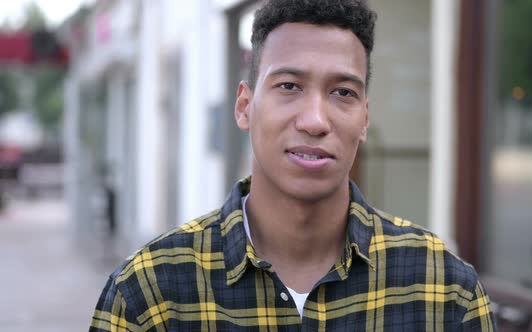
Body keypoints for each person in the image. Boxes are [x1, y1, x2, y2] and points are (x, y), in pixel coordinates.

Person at [90, 0, 496, 331]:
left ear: (365, 119)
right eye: (289, 86)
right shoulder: (153, 292)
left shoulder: (441, 289)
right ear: (245, 106)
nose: (315, 120)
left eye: (342, 92)